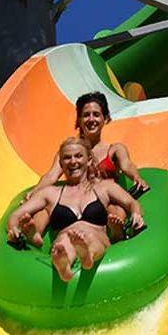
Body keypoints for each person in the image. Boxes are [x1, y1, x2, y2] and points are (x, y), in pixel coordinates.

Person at [7, 137, 145, 282]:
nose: (73, 161)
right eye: (67, 158)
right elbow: (16, 215)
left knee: (90, 238)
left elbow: (131, 203)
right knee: (64, 241)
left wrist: (136, 215)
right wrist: (14, 228)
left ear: (89, 160)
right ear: (61, 164)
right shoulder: (50, 194)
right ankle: (64, 265)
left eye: (78, 156)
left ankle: (87, 255)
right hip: (65, 236)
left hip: (96, 236)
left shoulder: (104, 187)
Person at [25, 91, 148, 241]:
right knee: (45, 210)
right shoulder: (69, 152)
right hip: (74, 201)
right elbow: (51, 175)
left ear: (105, 118)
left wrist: (136, 177)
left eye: (96, 115)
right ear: (79, 120)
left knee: (115, 208)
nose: (91, 119)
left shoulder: (114, 149)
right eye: (86, 115)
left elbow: (127, 164)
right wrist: (35, 191)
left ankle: (117, 233)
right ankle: (34, 235)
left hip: (103, 202)